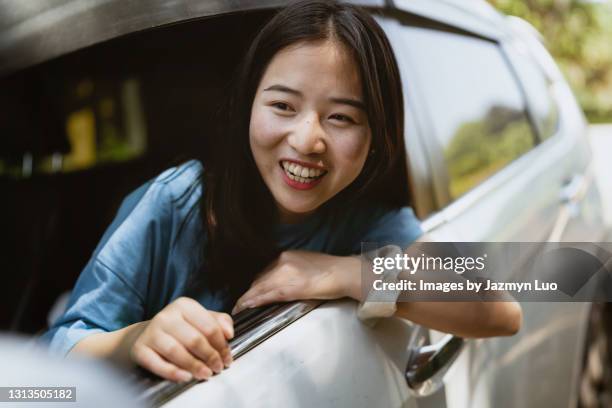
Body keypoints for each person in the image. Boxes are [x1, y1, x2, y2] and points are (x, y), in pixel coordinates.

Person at [41, 0, 522, 384]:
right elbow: (48, 367)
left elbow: (498, 310)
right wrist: (136, 339)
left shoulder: (365, 219)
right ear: (248, 106)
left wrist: (342, 274)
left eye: (342, 117)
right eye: (283, 106)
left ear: (377, 136)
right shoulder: (175, 202)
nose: (308, 139)